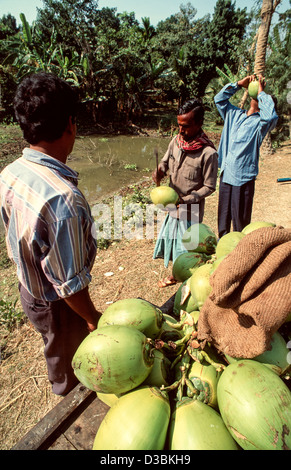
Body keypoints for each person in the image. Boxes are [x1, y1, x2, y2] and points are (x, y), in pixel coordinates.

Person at [0, 73, 101, 396]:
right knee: (70, 362)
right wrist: (91, 317)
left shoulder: (12, 172)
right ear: (70, 124)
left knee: (53, 347)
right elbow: (68, 284)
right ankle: (69, 401)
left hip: (30, 291)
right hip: (59, 305)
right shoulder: (62, 199)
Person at [152, 98, 218, 287]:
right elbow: (165, 162)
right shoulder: (176, 141)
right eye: (179, 125)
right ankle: (177, 272)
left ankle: (184, 278)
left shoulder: (208, 153)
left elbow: (209, 186)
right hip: (172, 206)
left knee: (188, 248)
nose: (181, 130)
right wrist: (160, 170)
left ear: (199, 124)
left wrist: (188, 199)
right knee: (173, 242)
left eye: (186, 126)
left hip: (191, 211)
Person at [214, 74, 278, 239]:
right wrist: (238, 84)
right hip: (226, 176)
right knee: (223, 225)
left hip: (243, 179)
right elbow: (219, 99)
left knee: (240, 227)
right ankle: (223, 254)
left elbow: (270, 116)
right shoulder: (234, 114)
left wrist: (262, 93)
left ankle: (241, 257)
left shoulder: (260, 124)